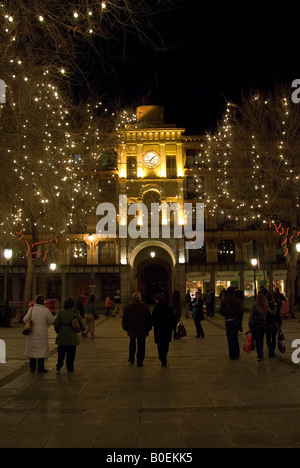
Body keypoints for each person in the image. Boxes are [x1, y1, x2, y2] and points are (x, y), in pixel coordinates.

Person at [23, 295, 55, 373]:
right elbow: (51, 321)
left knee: (32, 349)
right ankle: (41, 368)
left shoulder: (31, 309)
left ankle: (32, 367)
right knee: (41, 350)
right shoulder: (46, 310)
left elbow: (25, 320)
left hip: (32, 333)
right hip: (42, 333)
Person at [54, 297, 85, 372]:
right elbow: (80, 323)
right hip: (72, 335)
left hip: (62, 335)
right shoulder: (75, 312)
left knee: (61, 352)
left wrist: (58, 331)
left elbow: (56, 324)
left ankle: (59, 364)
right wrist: (82, 328)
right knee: (71, 353)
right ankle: (70, 367)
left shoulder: (60, 312)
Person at [122, 292, 152, 367]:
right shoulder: (145, 306)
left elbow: (125, 319)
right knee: (141, 345)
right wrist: (148, 328)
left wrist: (126, 327)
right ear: (140, 298)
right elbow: (149, 319)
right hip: (142, 329)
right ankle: (140, 360)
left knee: (132, 343)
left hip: (132, 328)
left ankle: (131, 358)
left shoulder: (128, 307)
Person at [219, 286, 244, 360]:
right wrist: (240, 322)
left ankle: (232, 353)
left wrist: (226, 313)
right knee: (235, 337)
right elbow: (240, 312)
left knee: (230, 338)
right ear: (234, 292)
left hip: (228, 320)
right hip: (235, 320)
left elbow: (221, 312)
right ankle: (236, 352)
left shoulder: (224, 301)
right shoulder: (237, 301)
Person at [152, 293, 174, 367]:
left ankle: (162, 358)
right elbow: (172, 319)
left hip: (158, 330)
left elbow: (153, 319)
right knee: (166, 344)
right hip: (167, 330)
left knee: (160, 345)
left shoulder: (156, 308)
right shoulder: (168, 308)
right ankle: (164, 357)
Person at [249, 293, 269, 361]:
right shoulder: (265, 306)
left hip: (256, 324)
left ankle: (259, 354)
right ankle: (261, 353)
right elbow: (271, 313)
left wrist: (250, 324)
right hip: (263, 324)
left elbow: (251, 316)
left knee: (257, 340)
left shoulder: (254, 306)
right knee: (261, 339)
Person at [266, 292, 282, 358]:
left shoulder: (265, 307)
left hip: (267, 324)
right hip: (275, 323)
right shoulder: (275, 306)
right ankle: (273, 351)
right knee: (273, 338)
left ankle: (270, 350)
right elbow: (278, 316)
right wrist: (280, 324)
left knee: (268, 338)